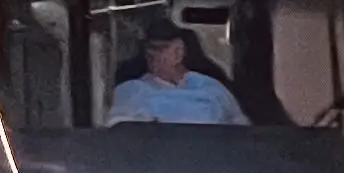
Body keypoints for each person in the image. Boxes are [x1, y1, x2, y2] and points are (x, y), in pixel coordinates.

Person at [107, 21, 249, 127]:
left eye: (159, 48)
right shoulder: (132, 90)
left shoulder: (212, 89)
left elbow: (241, 133)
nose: (151, 54)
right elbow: (121, 133)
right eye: (148, 48)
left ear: (179, 52)